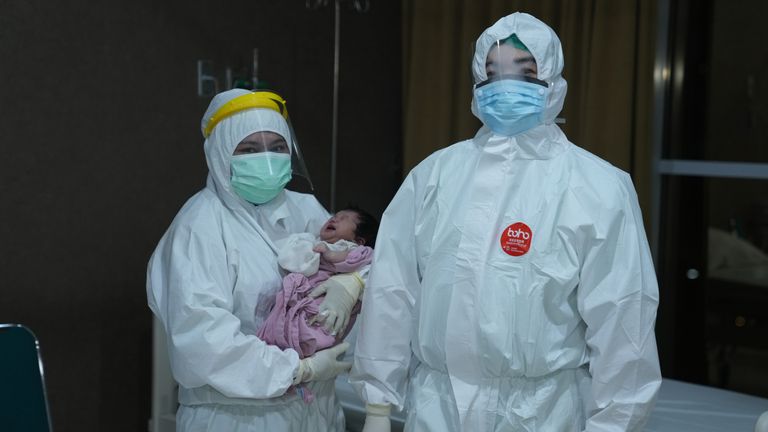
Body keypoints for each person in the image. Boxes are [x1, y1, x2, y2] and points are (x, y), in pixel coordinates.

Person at [350, 12, 662, 432]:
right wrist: (378, 405)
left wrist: (615, 423)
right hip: (436, 407)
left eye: (525, 72)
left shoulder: (599, 187)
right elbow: (393, 290)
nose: (506, 85)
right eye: (492, 73)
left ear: (552, 80)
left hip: (540, 414)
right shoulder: (435, 176)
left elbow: (624, 317)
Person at [147, 88, 363, 431]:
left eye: (278, 148)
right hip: (238, 418)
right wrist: (298, 369)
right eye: (249, 150)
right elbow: (203, 341)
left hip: (317, 413)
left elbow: (354, 262)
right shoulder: (200, 225)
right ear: (221, 155)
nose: (267, 159)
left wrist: (354, 282)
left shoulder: (305, 209)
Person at [258, 206, 379, 358]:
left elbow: (360, 259)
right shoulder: (312, 241)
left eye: (344, 218)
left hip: (327, 304)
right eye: (335, 216)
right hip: (304, 297)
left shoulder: (354, 249)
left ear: (359, 240)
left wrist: (330, 254)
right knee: (277, 325)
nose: (334, 218)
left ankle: (297, 357)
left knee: (315, 329)